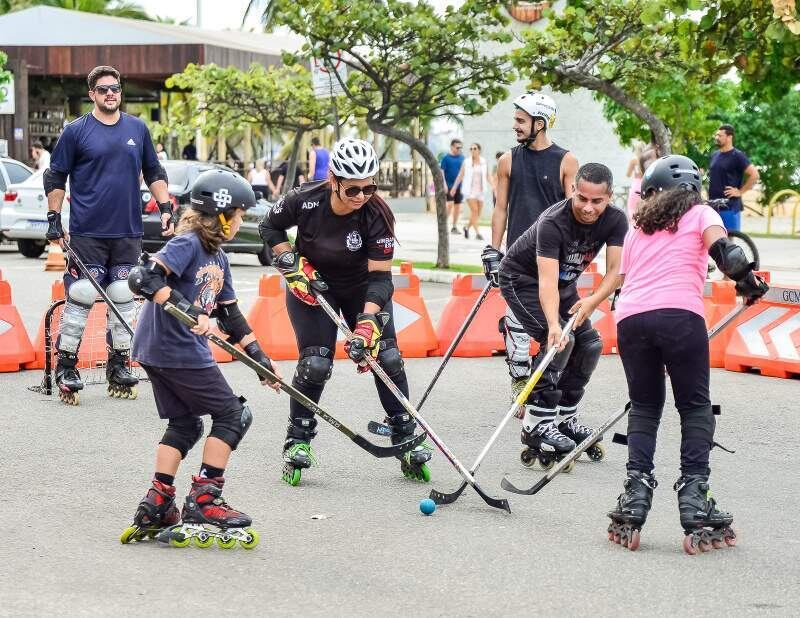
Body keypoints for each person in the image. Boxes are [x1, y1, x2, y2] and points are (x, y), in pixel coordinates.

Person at [606, 155, 768, 553]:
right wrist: (748, 281)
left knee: (644, 407)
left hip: (630, 319)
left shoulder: (637, 228)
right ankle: (695, 497)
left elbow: (623, 280)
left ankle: (635, 495)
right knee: (694, 407)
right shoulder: (698, 213)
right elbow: (727, 255)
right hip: (679, 316)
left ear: (652, 193)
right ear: (693, 191)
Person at [259, 138, 432, 486]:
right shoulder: (305, 199)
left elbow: (382, 279)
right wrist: (290, 262)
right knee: (316, 362)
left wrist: (367, 322)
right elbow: (269, 227)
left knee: (388, 357)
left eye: (369, 188)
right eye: (353, 189)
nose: (361, 197)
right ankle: (298, 440)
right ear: (334, 179)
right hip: (313, 287)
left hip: (362, 289)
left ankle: (405, 435)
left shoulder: (377, 214)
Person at [123, 169, 281, 548]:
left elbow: (230, 315)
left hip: (157, 351)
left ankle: (158, 502)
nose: (242, 220)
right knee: (232, 415)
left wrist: (260, 360)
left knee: (185, 424)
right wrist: (188, 310)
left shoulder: (219, 258)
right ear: (222, 213)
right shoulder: (188, 243)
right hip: (175, 349)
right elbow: (143, 278)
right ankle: (205, 499)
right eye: (240, 214)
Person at [43, 65, 173, 405]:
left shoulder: (137, 128)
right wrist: (53, 218)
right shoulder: (76, 131)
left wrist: (166, 208)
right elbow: (56, 176)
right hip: (87, 233)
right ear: (92, 94)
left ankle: (119, 365)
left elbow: (153, 171)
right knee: (83, 294)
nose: (110, 94)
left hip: (127, 232)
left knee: (122, 296)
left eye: (115, 88)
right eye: (103, 89)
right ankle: (66, 366)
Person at [496, 163, 627, 468]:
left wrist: (592, 301)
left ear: (608, 198)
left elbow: (616, 271)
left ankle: (565, 418)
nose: (588, 207)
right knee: (560, 342)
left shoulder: (617, 220)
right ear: (573, 191)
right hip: (522, 280)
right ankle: (536, 423)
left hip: (564, 285)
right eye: (582, 198)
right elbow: (546, 281)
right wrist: (554, 325)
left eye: (597, 201)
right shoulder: (553, 221)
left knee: (590, 345)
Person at [485, 91, 579, 408]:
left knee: (556, 325)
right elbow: (500, 209)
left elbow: (574, 210)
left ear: (540, 123)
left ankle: (548, 385)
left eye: (521, 120)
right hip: (518, 259)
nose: (515, 126)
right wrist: (492, 250)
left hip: (555, 259)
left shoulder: (567, 161)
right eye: (516, 119)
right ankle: (520, 382)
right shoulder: (508, 160)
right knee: (516, 323)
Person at [708, 124, 759, 232]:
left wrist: (740, 192)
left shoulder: (737, 156)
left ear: (729, 137)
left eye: (720, 136)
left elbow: (754, 174)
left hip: (729, 207)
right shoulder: (714, 155)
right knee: (714, 242)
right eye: (716, 135)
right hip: (713, 206)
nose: (717, 138)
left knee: (729, 243)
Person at [452, 143, 489, 240]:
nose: (472, 150)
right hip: (469, 191)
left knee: (477, 214)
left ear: (479, 150)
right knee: (475, 211)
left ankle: (467, 228)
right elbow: (460, 175)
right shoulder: (466, 162)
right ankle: (478, 233)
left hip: (480, 191)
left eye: (475, 148)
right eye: (471, 148)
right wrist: (454, 187)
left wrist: (495, 187)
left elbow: (488, 175)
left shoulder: (483, 161)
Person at [440, 138, 465, 234]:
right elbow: (442, 172)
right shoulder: (446, 158)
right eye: (457, 147)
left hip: (459, 187)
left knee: (457, 207)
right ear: (452, 147)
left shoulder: (462, 158)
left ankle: (454, 226)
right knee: (449, 205)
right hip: (449, 186)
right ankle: (443, 225)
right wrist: (444, 185)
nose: (459, 149)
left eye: (460, 147)